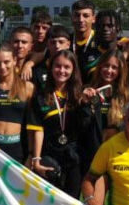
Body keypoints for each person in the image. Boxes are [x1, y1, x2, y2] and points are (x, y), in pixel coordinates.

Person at [26, 49, 86, 195]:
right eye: (57, 66)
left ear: (73, 70)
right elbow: (38, 130)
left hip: (74, 157)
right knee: (49, 201)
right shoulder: (40, 96)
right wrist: (36, 158)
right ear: (51, 68)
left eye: (67, 67)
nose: (61, 70)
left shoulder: (79, 96)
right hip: (50, 155)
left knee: (73, 201)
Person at [80, 48, 129, 166]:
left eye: (114, 67)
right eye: (106, 66)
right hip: (91, 154)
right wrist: (85, 103)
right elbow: (81, 125)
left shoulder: (127, 94)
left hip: (117, 155)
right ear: (100, 67)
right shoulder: (88, 90)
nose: (109, 70)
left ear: (121, 70)